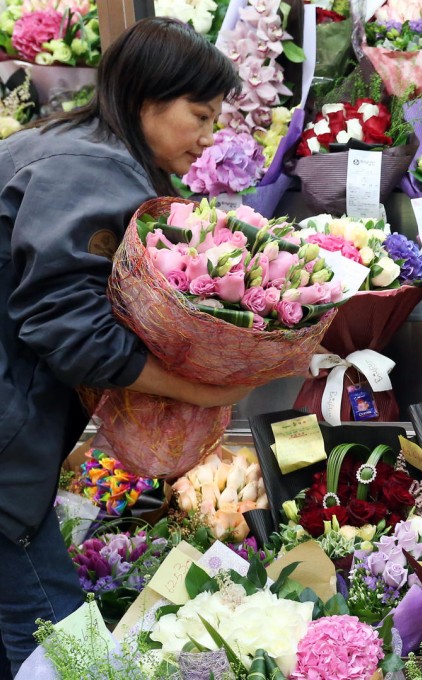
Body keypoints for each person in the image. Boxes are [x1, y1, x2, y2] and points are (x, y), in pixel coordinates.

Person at [0, 18, 251, 677]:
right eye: (199, 114)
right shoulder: (93, 171)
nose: (208, 136)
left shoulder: (61, 147)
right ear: (147, 100)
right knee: (64, 653)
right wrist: (207, 388)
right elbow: (69, 331)